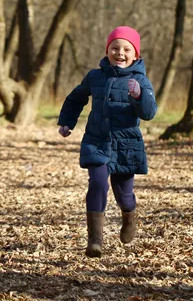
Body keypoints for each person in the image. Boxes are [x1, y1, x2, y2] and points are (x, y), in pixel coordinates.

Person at [57, 26, 158, 258]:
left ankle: (129, 215)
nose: (120, 53)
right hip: (97, 141)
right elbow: (75, 98)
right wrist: (67, 122)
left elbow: (149, 113)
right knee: (98, 183)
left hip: (126, 145)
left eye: (126, 49)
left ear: (136, 55)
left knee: (124, 194)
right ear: (107, 50)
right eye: (115, 48)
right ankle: (95, 241)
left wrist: (139, 97)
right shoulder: (95, 76)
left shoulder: (140, 80)